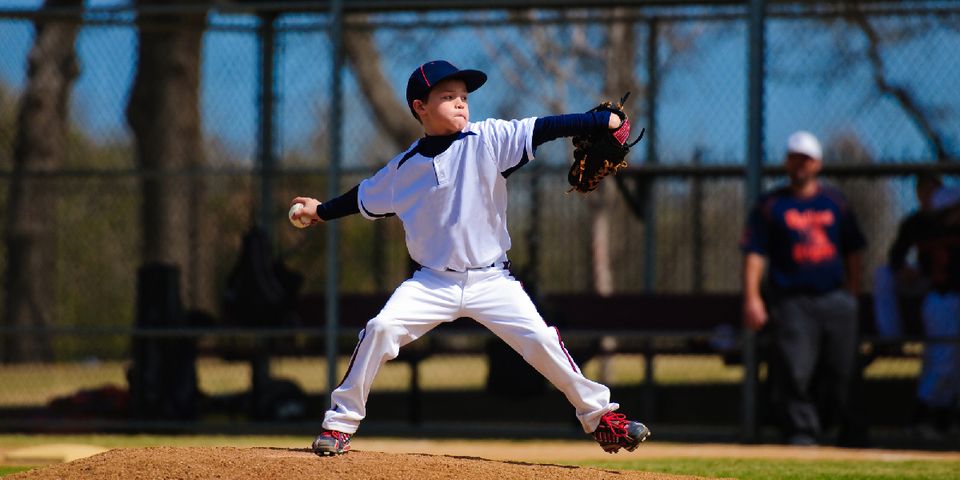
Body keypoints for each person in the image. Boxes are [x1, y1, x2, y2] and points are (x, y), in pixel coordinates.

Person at [289, 60, 650, 456]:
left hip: (492, 281)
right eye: (447, 97)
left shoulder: (489, 139)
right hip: (432, 283)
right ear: (419, 107)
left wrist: (594, 121)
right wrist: (320, 211)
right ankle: (339, 424)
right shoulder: (403, 170)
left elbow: (543, 127)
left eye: (464, 97)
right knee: (380, 329)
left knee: (543, 341)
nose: (461, 104)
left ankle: (602, 419)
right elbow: (360, 197)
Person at [740, 131, 867, 446]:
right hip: (792, 300)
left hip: (835, 297)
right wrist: (753, 297)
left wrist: (852, 293)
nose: (800, 164)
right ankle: (802, 431)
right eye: (794, 158)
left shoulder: (834, 202)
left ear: (818, 163)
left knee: (844, 369)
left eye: (806, 159)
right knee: (795, 370)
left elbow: (853, 250)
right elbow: (755, 253)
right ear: (786, 162)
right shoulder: (771, 205)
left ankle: (850, 430)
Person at [882, 174, 960, 439]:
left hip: (947, 298)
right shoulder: (920, 225)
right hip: (942, 298)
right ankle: (923, 418)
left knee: (950, 365)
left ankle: (941, 420)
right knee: (943, 362)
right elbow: (895, 260)